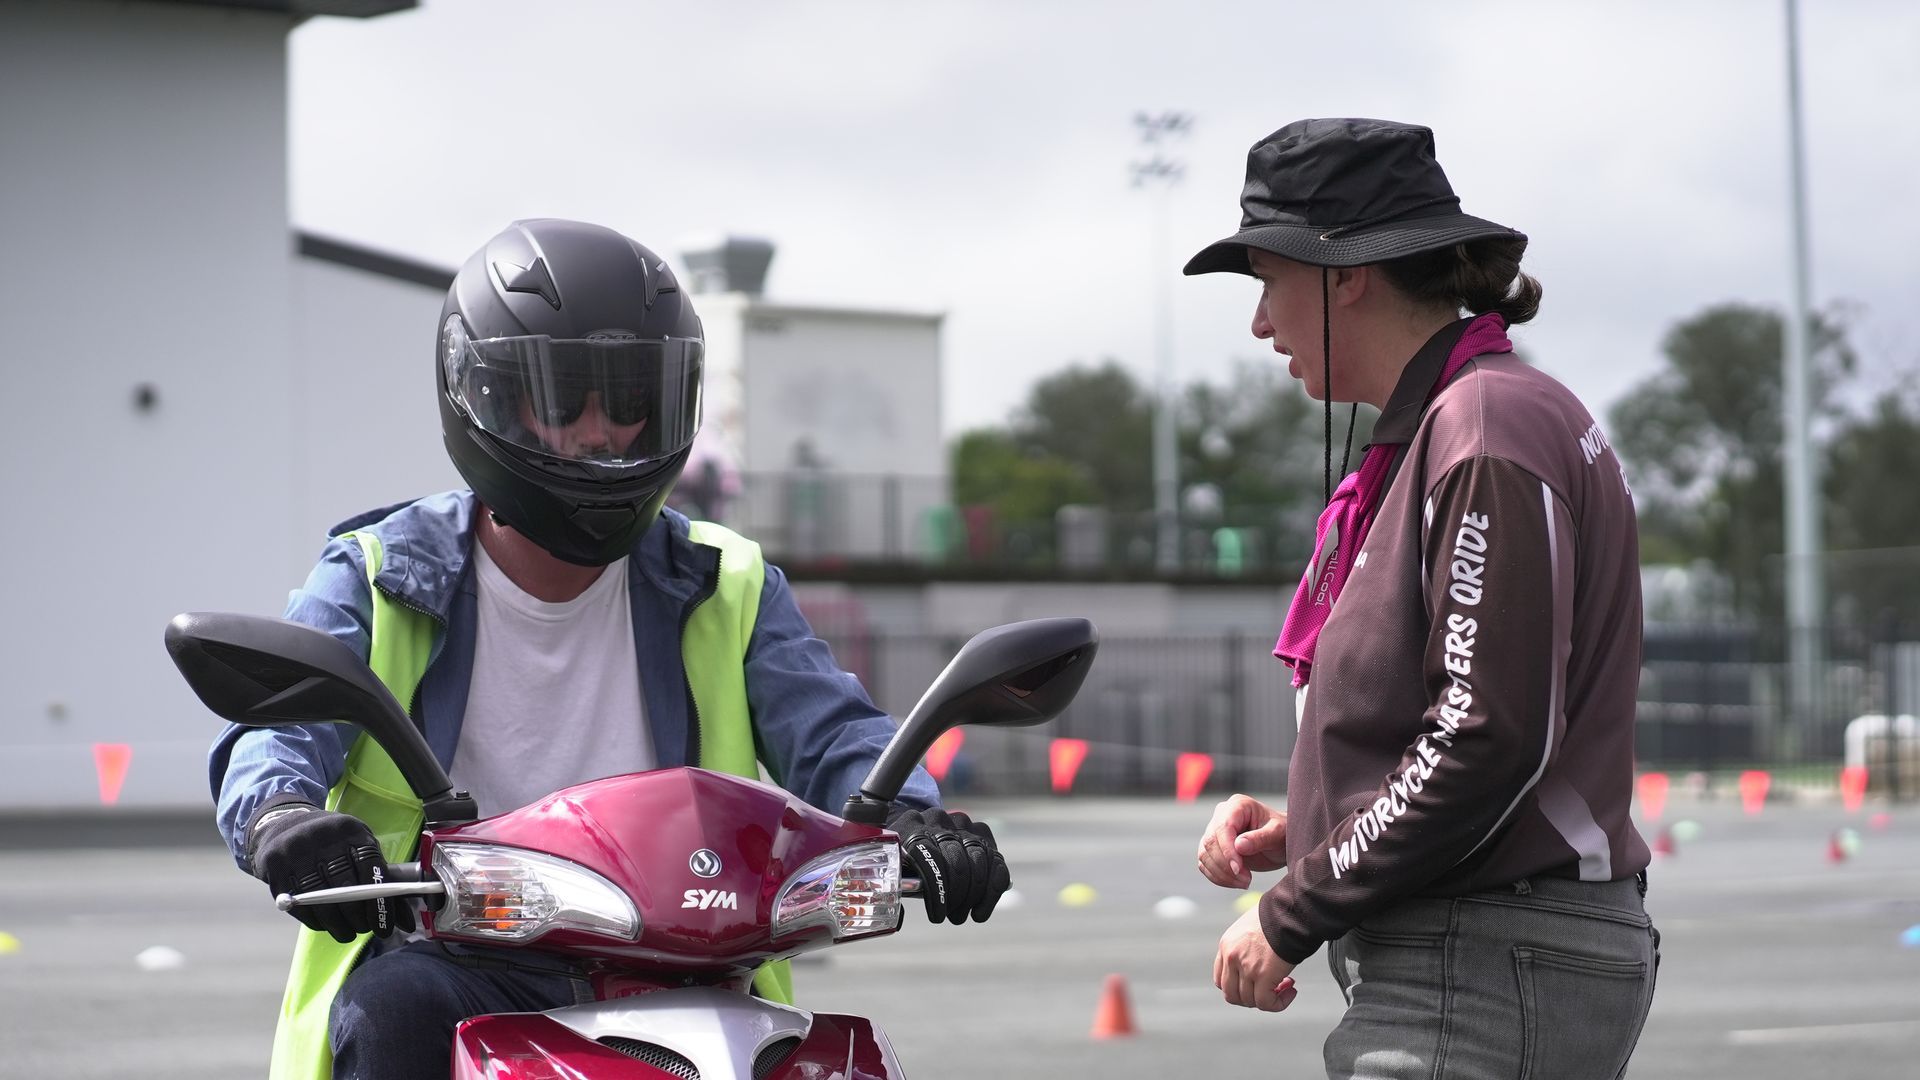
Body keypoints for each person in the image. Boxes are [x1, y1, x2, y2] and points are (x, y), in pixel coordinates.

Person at [206, 219, 1008, 1080]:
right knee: (393, 1010)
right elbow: (280, 730)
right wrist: (283, 815)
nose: (602, 434)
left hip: (693, 954)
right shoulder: (377, 575)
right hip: (468, 955)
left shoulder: (725, 580)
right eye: (561, 403)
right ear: (484, 400)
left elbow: (835, 731)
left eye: (630, 404)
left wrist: (918, 817)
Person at [1184, 120, 1658, 1079]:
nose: (1260, 322)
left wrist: (1295, 909)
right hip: (1483, 948)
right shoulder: (1463, 418)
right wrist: (1320, 827)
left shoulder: (1482, 424)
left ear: (1343, 272)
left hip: (1484, 957)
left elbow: (1487, 735)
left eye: (1267, 279)